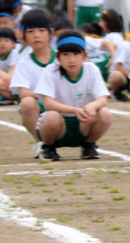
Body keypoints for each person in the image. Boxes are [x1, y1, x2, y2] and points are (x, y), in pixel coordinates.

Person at [34, 31, 113, 161]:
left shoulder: (92, 69)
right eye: (66, 54)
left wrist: (91, 106)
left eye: (76, 54)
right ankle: (48, 147)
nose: (71, 60)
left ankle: (89, 145)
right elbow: (48, 104)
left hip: (83, 123)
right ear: (58, 57)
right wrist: (75, 110)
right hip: (58, 124)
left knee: (105, 113)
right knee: (52, 116)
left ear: (85, 55)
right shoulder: (51, 71)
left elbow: (102, 99)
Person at [12, 10, 56, 158]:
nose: (36, 35)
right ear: (23, 35)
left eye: (41, 30)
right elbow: (23, 93)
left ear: (51, 32)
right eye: (30, 31)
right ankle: (43, 144)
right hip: (40, 107)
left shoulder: (62, 57)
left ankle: (86, 144)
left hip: (61, 106)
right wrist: (45, 93)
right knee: (27, 103)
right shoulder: (24, 62)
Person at [0, 27, 18, 102]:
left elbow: (11, 77)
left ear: (13, 44)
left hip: (14, 83)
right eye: (0, 41)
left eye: (6, 41)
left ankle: (15, 98)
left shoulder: (15, 54)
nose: (2, 43)